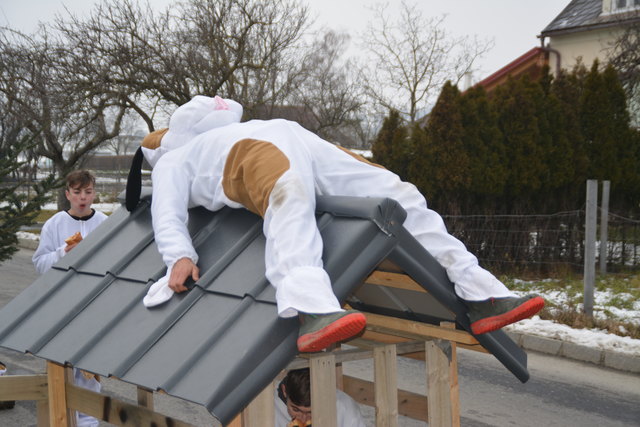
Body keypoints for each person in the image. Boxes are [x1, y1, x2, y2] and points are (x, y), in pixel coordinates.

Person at [129, 95, 544, 353]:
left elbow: (167, 213)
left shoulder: (201, 146)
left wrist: (180, 256)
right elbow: (166, 212)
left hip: (283, 139)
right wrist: (178, 254)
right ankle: (312, 307)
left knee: (384, 192)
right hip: (269, 145)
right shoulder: (176, 159)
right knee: (314, 194)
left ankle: (478, 289)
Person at [32, 169, 107, 427]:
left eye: (88, 192)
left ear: (94, 194)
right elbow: (40, 264)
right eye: (77, 192)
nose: (83, 197)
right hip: (61, 305)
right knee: (62, 364)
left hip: (94, 304)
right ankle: (62, 418)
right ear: (68, 195)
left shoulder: (105, 223)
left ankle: (89, 421)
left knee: (90, 364)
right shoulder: (54, 224)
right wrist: (64, 251)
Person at [275, 368, 365, 427]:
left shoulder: (344, 407)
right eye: (296, 410)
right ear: (284, 391)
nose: (303, 419)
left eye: (310, 412)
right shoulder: (268, 407)